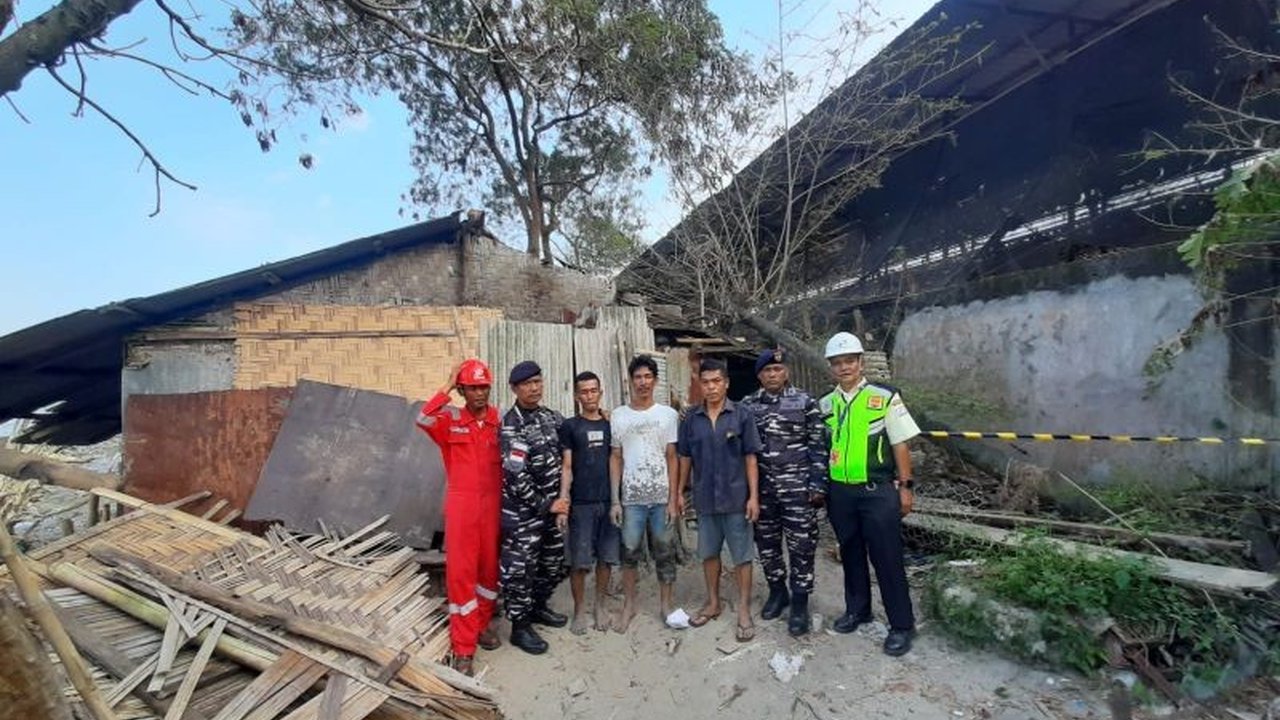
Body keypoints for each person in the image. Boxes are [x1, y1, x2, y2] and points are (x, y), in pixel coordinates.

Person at [820, 331, 921, 656]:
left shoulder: (884, 396)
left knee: (887, 558)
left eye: (850, 361)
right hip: (841, 493)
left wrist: (905, 487)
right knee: (850, 553)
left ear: (861, 362)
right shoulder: (826, 403)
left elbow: (900, 444)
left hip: (877, 491)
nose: (844, 367)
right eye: (837, 363)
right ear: (831, 367)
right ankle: (858, 610)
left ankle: (902, 626)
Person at [414, 358, 502, 676]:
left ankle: (480, 625)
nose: (480, 393)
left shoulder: (499, 423)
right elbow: (422, 417)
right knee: (461, 576)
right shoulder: (450, 424)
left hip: (492, 509)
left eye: (484, 387)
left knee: (489, 575)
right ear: (463, 390)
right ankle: (463, 648)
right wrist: (447, 386)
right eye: (473, 387)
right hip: (462, 510)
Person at [740, 348, 828, 637]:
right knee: (767, 546)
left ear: (786, 372)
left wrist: (817, 484)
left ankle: (800, 603)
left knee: (802, 548)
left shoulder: (805, 402)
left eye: (778, 370)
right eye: (767, 371)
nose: (773, 375)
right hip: (763, 491)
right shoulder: (748, 406)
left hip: (798, 490)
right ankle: (778, 592)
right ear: (760, 375)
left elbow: (818, 446)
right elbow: (742, 451)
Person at [677, 357, 762, 642]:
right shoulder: (691, 419)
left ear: (726, 383)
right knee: (709, 554)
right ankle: (713, 602)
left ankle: (743, 611)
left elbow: (750, 457)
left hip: (736, 498)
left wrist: (754, 497)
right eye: (706, 382)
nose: (711, 387)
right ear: (699, 385)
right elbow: (685, 458)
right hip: (705, 499)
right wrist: (679, 492)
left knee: (742, 557)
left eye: (716, 382)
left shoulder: (741, 415)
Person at [499, 360, 568, 654]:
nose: (535, 388)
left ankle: (539, 607)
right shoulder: (511, 425)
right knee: (521, 571)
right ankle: (520, 627)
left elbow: (571, 443)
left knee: (551, 564)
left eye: (538, 381)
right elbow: (516, 477)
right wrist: (546, 504)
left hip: (552, 511)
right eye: (528, 384)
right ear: (515, 388)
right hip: (523, 516)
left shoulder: (552, 418)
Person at [608, 354, 680, 632]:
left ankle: (666, 604)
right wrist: (616, 500)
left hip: (661, 498)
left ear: (655, 380)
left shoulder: (668, 415)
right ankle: (629, 604)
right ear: (630, 381)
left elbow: (672, 457)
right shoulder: (619, 415)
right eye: (637, 377)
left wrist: (673, 499)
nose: (643, 382)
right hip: (632, 500)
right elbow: (616, 458)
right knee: (629, 552)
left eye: (647, 376)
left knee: (665, 551)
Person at [556, 371, 621, 635]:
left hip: (608, 502)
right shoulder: (570, 426)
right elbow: (567, 465)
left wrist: (617, 501)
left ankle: (600, 606)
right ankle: (580, 610)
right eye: (584, 391)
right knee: (579, 562)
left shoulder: (611, 424)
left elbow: (617, 459)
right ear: (576, 395)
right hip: (580, 504)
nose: (589, 395)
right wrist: (564, 500)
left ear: (600, 392)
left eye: (593, 390)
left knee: (606, 559)